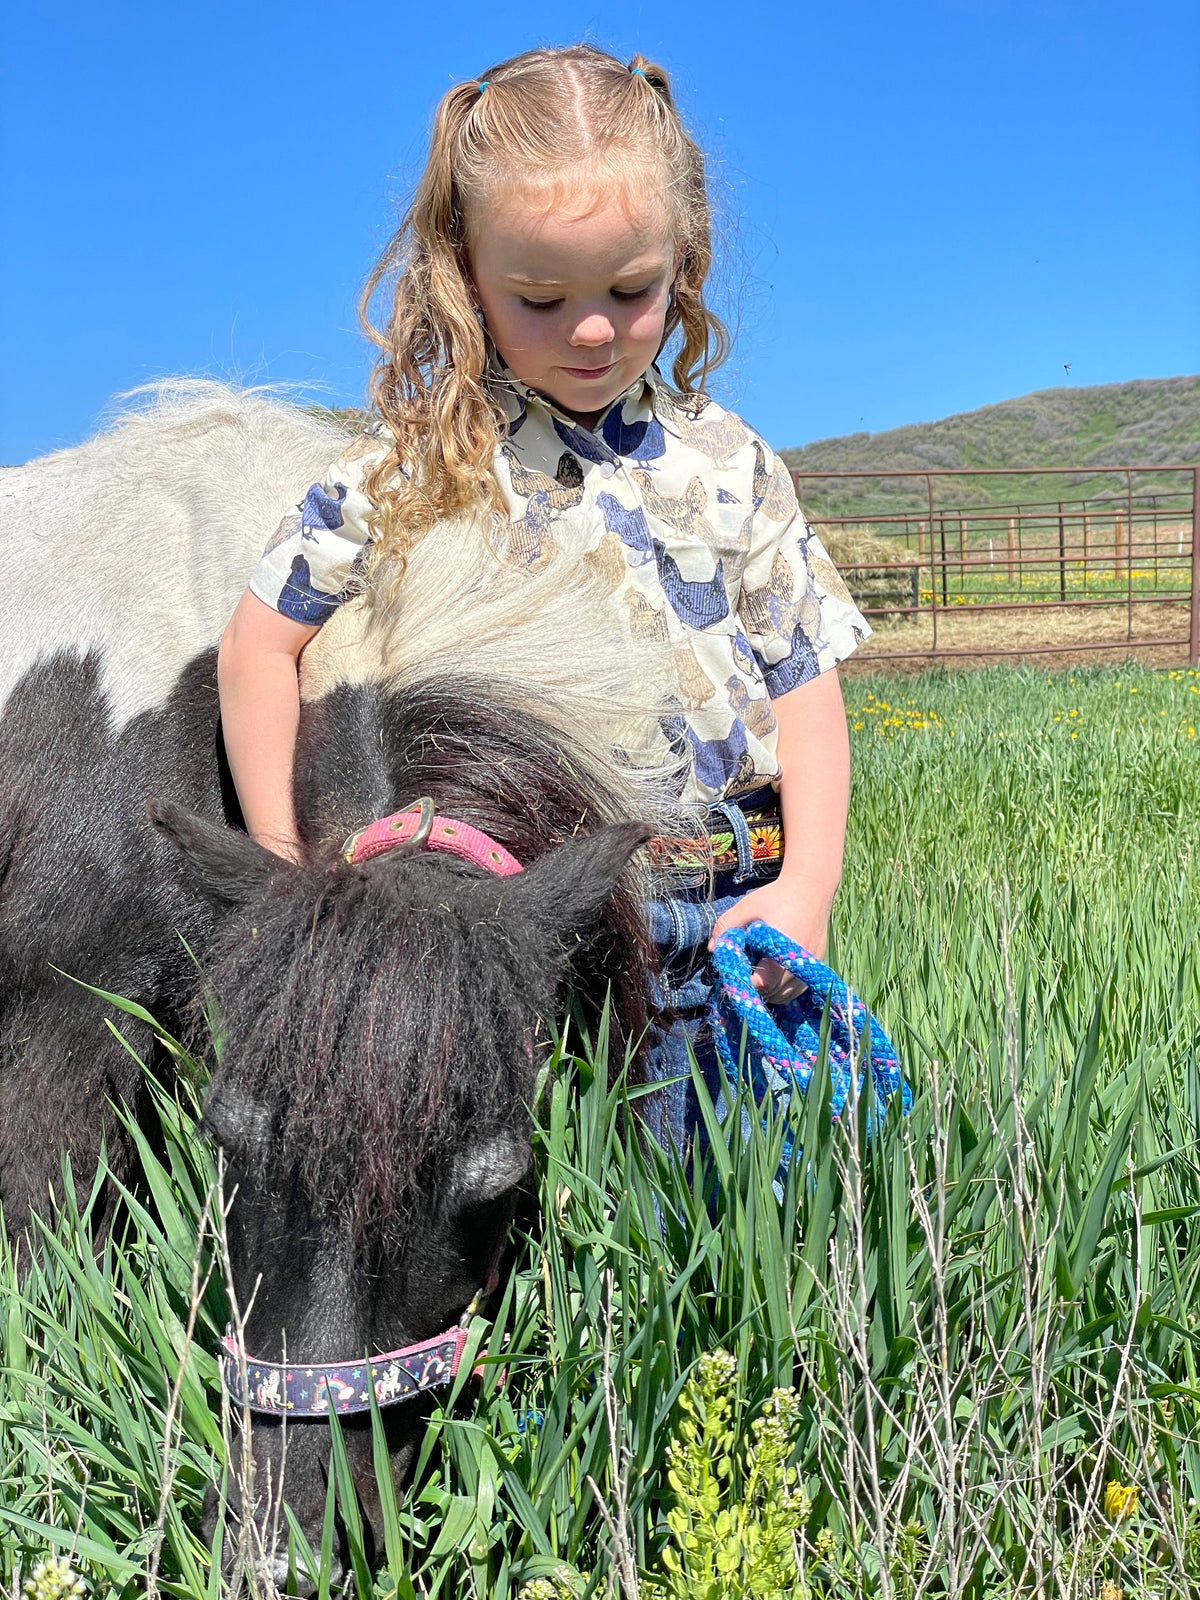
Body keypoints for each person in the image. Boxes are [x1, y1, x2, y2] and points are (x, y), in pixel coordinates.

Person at [217, 43, 870, 1138]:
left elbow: (805, 688)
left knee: (750, 1205)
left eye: (633, 288)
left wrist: (805, 891)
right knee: (536, 1215)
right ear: (464, 275)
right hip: (512, 923)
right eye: (539, 297)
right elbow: (256, 648)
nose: (594, 329)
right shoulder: (410, 472)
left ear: (685, 258)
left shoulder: (735, 463)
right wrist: (286, 873)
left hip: (732, 900)